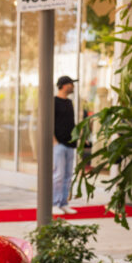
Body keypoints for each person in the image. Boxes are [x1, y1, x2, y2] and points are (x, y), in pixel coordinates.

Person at [53, 75, 78, 215]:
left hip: (70, 144)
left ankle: (63, 203)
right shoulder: (53, 102)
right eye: (71, 84)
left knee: (68, 176)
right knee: (58, 175)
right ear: (63, 85)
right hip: (59, 144)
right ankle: (54, 203)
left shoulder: (69, 102)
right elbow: (49, 122)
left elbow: (71, 123)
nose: (72, 86)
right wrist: (54, 141)